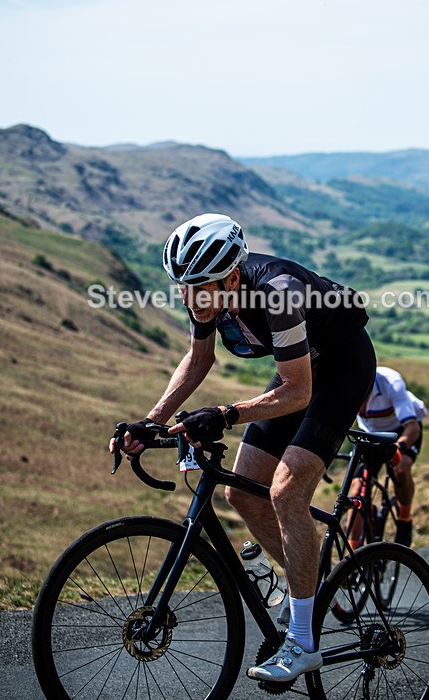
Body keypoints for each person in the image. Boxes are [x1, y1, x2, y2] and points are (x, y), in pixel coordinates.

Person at [110, 212, 376, 684]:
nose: (189, 299)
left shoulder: (278, 293)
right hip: (301, 373)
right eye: (182, 287)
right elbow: (199, 359)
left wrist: (227, 413)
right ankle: (308, 582)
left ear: (232, 277)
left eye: (199, 288)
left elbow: (298, 392)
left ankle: (302, 641)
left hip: (341, 369)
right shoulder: (205, 294)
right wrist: (151, 422)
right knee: (241, 492)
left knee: (286, 492)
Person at [347, 365, 427, 548]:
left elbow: (412, 428)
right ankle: (352, 553)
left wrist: (398, 448)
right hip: (371, 434)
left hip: (401, 430)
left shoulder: (391, 383)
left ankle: (404, 518)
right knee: (357, 489)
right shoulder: (346, 384)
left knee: (401, 468)